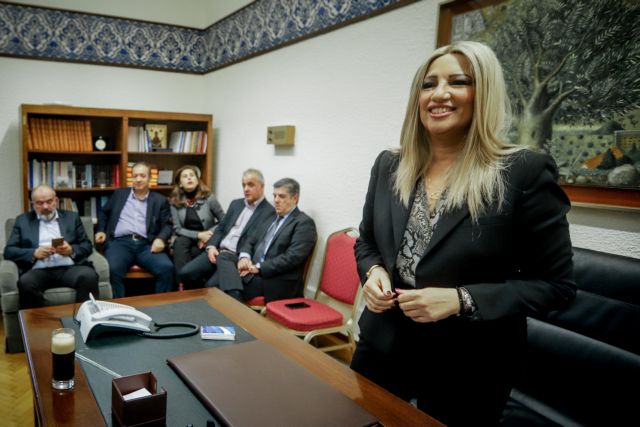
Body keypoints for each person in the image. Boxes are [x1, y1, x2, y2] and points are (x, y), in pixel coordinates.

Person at [350, 41, 576, 427]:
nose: (439, 94)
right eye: (428, 84)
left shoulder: (523, 171)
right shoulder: (389, 165)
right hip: (382, 344)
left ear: (483, 92)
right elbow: (366, 241)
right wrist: (373, 273)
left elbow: (557, 287)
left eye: (458, 82)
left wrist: (461, 299)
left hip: (470, 364)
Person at [211, 177, 317, 302]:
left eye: (281, 196)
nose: (276, 200)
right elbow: (250, 239)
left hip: (274, 278)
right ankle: (234, 295)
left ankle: (233, 296)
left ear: (295, 198)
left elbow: (292, 258)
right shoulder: (270, 216)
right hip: (253, 266)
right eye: (275, 196)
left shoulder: (303, 223)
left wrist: (258, 267)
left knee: (216, 285)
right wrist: (245, 258)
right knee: (224, 256)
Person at [178, 168, 274, 292]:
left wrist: (244, 258)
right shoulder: (236, 204)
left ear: (262, 186)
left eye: (251, 185)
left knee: (211, 287)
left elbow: (256, 241)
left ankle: (204, 300)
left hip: (234, 257)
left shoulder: (269, 212)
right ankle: (197, 300)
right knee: (185, 273)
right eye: (243, 185)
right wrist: (211, 246)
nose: (246, 189)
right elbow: (221, 227)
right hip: (217, 251)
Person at [4, 185, 99, 308]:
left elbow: (87, 246)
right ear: (33, 204)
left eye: (49, 201)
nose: (45, 207)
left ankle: (85, 317)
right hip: (38, 270)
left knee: (89, 276)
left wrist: (71, 250)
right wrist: (34, 253)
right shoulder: (22, 221)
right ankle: (39, 321)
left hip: (70, 268)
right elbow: (9, 251)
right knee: (26, 283)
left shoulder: (72, 217)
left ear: (56, 201)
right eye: (40, 203)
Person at [95, 162, 174, 298]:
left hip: (147, 244)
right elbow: (103, 212)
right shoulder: (119, 194)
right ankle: (119, 307)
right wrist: (101, 230)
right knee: (112, 269)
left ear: (149, 178)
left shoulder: (160, 200)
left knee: (166, 268)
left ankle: (162, 305)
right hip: (120, 243)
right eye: (135, 176)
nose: (138, 179)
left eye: (142, 176)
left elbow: (167, 224)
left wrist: (161, 239)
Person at [168, 165, 225, 282]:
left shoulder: (209, 198)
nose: (189, 178)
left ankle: (187, 285)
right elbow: (177, 228)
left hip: (207, 238)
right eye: (185, 176)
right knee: (179, 242)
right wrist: (198, 235)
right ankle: (182, 283)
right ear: (180, 184)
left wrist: (208, 234)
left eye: (192, 175)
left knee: (193, 253)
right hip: (186, 237)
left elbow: (224, 220)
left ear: (197, 180)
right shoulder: (174, 202)